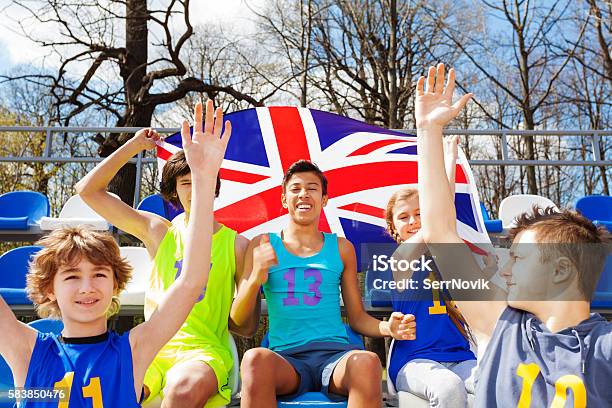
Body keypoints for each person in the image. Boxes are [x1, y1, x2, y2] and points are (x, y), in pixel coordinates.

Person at [0, 100, 230, 407]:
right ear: (48, 289)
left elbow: (191, 282)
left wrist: (203, 180)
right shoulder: (27, 351)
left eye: (99, 274)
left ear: (115, 285)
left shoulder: (134, 351)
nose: (87, 286)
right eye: (71, 276)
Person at [415, 63, 612, 406]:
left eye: (519, 258)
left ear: (561, 269)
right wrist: (428, 130)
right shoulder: (501, 327)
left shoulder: (604, 349)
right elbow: (439, 232)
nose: (505, 268)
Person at [76, 101, 250, 407]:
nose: (194, 190)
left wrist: (256, 277)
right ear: (173, 192)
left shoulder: (237, 244)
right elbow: (88, 191)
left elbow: (246, 326)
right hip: (152, 348)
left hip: (204, 352)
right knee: (105, 390)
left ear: (214, 185)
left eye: (200, 181)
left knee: (181, 392)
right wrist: (134, 146)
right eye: (186, 183)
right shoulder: (159, 231)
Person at [230, 159, 416, 407]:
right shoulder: (262, 244)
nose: (303, 194)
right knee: (253, 359)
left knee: (368, 362)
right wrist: (255, 279)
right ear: (284, 199)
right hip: (286, 360)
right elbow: (240, 324)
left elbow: (357, 318)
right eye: (295, 189)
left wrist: (388, 329)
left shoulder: (341, 248)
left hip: (336, 356)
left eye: (312, 188)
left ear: (324, 199)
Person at [383, 136, 476, 408]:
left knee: (494, 380)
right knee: (449, 389)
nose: (413, 221)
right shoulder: (400, 258)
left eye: (419, 213)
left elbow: (442, 219)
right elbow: (440, 216)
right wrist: (440, 160)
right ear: (393, 228)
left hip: (460, 355)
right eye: (403, 217)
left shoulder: (446, 252)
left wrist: (450, 159)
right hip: (415, 361)